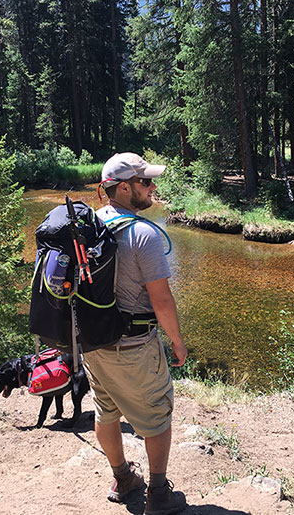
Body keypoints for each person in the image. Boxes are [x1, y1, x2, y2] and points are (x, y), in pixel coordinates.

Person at [82, 152, 188, 515]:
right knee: (157, 416)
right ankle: (158, 494)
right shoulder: (143, 234)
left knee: (105, 409)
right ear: (123, 188)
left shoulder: (89, 225)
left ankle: (123, 478)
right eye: (145, 182)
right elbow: (161, 299)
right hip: (134, 347)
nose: (152, 187)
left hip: (92, 345)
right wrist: (177, 341)